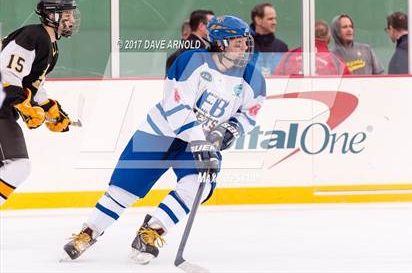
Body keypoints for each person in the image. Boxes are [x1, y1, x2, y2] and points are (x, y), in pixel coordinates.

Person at [63, 15, 266, 265]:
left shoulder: (253, 79)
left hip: (199, 141)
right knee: (123, 190)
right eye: (238, 43)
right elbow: (177, 108)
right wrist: (200, 140)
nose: (245, 48)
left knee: (197, 187)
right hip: (159, 133)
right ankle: (89, 232)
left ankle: (151, 232)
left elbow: (249, 113)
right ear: (220, 43)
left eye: (246, 43)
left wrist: (231, 130)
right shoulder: (191, 62)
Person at [0, 0, 80, 206]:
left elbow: (33, 83)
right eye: (67, 15)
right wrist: (24, 105)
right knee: (17, 166)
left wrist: (48, 107)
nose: (71, 20)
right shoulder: (33, 37)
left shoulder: (50, 45)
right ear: (52, 16)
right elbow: (6, 73)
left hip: (4, 109)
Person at [274, 20, 351, 76]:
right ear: (329, 38)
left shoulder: (289, 56)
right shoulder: (337, 62)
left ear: (307, 35)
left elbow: (276, 81)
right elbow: (349, 86)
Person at [165, 10, 215, 75]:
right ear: (201, 26)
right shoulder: (201, 53)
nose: (216, 28)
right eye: (213, 25)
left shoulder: (175, 55)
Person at [250, 3, 288, 75]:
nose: (274, 22)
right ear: (258, 20)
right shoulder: (246, 46)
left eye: (275, 19)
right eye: (270, 19)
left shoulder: (282, 47)